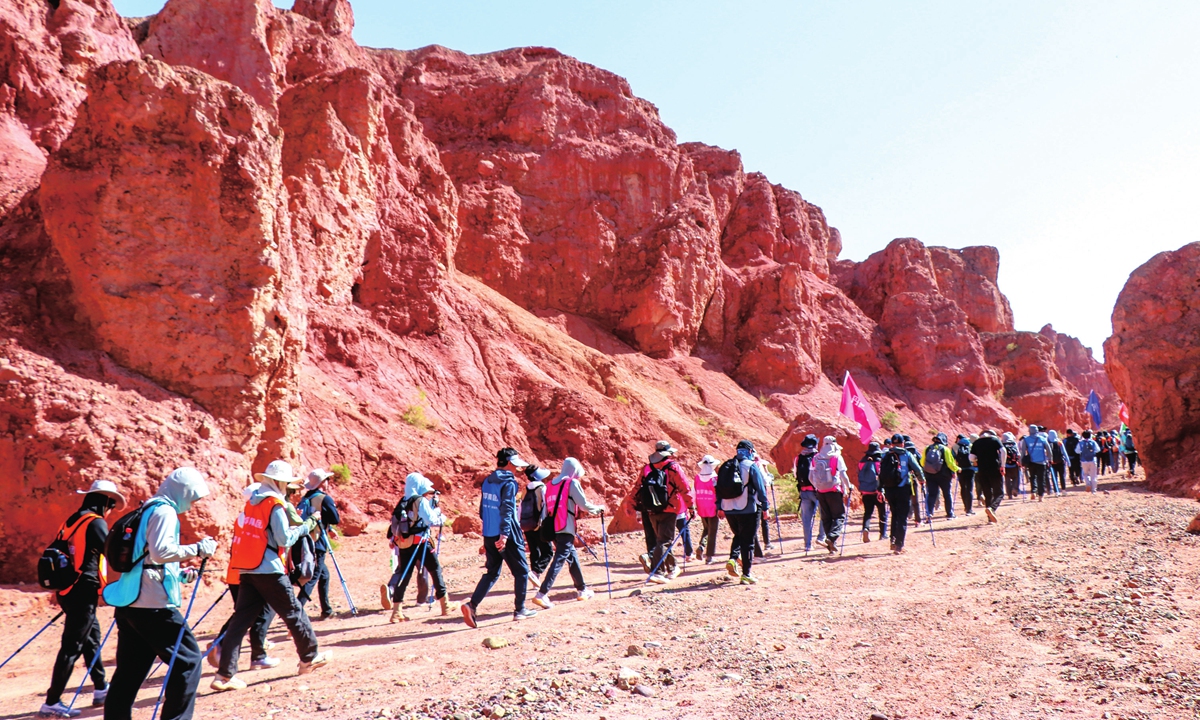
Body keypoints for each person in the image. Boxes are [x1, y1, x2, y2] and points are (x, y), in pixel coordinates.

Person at [102, 468, 217, 720]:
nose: (194, 502)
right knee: (189, 661)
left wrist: (178, 574)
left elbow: (147, 558)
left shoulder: (147, 508)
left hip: (129, 602)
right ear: (183, 491)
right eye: (194, 496)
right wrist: (199, 548)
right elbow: (161, 553)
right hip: (152, 605)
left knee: (129, 673)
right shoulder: (165, 511)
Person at [212, 461, 330, 692]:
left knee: (240, 621)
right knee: (293, 611)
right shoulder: (274, 504)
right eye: (286, 483)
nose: (287, 487)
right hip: (269, 569)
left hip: (246, 569)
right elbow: (284, 539)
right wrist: (305, 527)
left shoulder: (251, 504)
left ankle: (224, 675)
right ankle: (309, 656)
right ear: (278, 482)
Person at [40, 480, 125, 718]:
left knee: (91, 638)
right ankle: (51, 702)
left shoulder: (71, 520)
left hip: (67, 590)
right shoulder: (95, 523)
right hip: (82, 591)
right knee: (72, 646)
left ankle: (101, 688)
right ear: (105, 502)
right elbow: (113, 553)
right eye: (110, 506)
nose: (109, 513)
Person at [462, 448, 536, 627]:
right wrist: (504, 534)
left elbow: (482, 510)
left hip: (489, 532)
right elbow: (508, 509)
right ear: (509, 463)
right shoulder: (510, 483)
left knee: (492, 572)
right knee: (521, 571)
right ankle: (520, 610)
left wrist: (491, 528)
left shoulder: (488, 481)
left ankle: (471, 605)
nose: (518, 468)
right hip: (506, 534)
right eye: (516, 464)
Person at [531, 458, 605, 608]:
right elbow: (583, 505)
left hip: (553, 529)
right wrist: (598, 508)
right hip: (566, 527)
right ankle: (541, 594)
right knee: (559, 560)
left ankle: (582, 590)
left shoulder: (550, 485)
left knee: (572, 557)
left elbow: (545, 510)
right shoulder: (572, 483)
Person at [387, 473, 455, 621]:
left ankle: (396, 611)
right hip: (421, 543)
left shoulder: (403, 500)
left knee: (404, 575)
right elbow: (431, 520)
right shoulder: (420, 500)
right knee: (435, 569)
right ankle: (445, 605)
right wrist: (440, 517)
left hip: (405, 543)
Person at [637, 441, 694, 584]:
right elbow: (684, 487)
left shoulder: (646, 468)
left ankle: (673, 567)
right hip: (670, 509)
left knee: (661, 540)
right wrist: (691, 507)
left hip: (651, 510)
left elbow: (637, 488)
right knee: (664, 541)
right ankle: (657, 571)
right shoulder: (673, 468)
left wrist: (634, 506)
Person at [721, 440, 770, 583]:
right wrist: (765, 507)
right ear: (750, 451)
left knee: (739, 535)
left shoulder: (726, 465)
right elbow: (761, 488)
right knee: (748, 541)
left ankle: (733, 558)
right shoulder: (751, 466)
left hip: (729, 508)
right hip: (748, 508)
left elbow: (718, 488)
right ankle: (746, 574)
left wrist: (719, 507)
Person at [297, 469, 340, 620]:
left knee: (324, 575)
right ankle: (296, 609)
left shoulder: (305, 498)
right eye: (327, 480)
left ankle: (326, 610)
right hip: (318, 542)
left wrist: (330, 529)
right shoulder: (324, 498)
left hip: (305, 541)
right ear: (322, 482)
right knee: (314, 576)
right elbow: (335, 518)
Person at [880, 434, 926, 554]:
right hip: (903, 489)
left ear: (892, 444)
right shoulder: (906, 454)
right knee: (902, 517)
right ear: (902, 444)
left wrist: (881, 488)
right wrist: (921, 480)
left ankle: (892, 540)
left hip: (889, 489)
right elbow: (917, 469)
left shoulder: (885, 454)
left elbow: (880, 473)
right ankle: (899, 545)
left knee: (894, 514)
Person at [812, 436, 851, 553]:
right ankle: (832, 537)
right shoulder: (837, 457)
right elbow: (843, 475)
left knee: (826, 518)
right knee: (839, 516)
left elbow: (811, 476)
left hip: (820, 492)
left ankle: (831, 547)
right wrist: (849, 487)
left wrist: (817, 486)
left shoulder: (816, 458)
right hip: (834, 491)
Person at [520, 464, 554, 579]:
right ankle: (535, 572)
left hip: (527, 525)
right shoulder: (542, 488)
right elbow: (546, 505)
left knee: (534, 551)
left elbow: (520, 507)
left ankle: (535, 577)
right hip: (539, 525)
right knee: (548, 552)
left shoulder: (525, 489)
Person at [793, 435, 826, 552]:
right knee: (825, 514)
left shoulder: (798, 458)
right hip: (817, 490)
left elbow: (795, 474)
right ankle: (821, 537)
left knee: (806, 519)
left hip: (803, 491)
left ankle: (807, 545)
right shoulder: (817, 457)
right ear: (815, 444)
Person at [969, 430, 1006, 523]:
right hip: (994, 469)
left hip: (982, 471)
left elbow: (971, 457)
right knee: (999, 492)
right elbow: (1003, 451)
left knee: (987, 493)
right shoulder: (994, 440)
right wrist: (1003, 465)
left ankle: (990, 519)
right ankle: (992, 509)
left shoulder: (977, 442)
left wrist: (978, 459)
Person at [922, 433, 960, 520]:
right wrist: (957, 469)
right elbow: (950, 464)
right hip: (944, 476)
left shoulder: (927, 448)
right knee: (947, 494)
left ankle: (929, 513)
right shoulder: (945, 449)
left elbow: (922, 462)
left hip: (930, 475)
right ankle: (950, 513)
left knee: (931, 494)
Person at [857, 443, 887, 543]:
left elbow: (859, 475)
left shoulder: (862, 461)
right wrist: (881, 490)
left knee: (868, 512)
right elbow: (881, 477)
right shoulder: (879, 462)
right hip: (877, 491)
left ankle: (866, 528)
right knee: (882, 512)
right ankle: (883, 534)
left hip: (865, 491)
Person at [693, 456, 720, 563]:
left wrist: (693, 507)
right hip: (713, 507)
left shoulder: (697, 478)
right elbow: (719, 493)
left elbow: (693, 492)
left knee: (706, 528)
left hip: (701, 506)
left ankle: (702, 545)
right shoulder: (715, 479)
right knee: (713, 531)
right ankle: (709, 556)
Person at [1020, 425, 1052, 501]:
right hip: (1041, 462)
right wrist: (1050, 459)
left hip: (1031, 462)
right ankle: (1041, 496)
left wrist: (1021, 461)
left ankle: (1033, 492)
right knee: (1041, 479)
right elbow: (1049, 450)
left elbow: (1023, 452)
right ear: (1037, 430)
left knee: (1033, 477)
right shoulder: (1043, 439)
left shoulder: (1026, 440)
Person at [952, 435, 976, 516]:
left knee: (963, 488)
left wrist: (953, 470)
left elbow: (952, 459)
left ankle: (965, 506)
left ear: (958, 439)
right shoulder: (971, 445)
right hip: (970, 469)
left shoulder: (955, 446)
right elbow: (975, 457)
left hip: (960, 469)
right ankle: (969, 509)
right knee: (969, 489)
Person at [1048, 431, 1068, 497]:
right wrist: (1068, 461)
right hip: (1061, 462)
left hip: (1052, 463)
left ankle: (1056, 491)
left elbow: (1046, 454)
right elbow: (1064, 452)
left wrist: (1048, 461)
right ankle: (1064, 490)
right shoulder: (1059, 442)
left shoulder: (1048, 443)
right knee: (1062, 476)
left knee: (1054, 477)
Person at [1001, 432, 1021, 498]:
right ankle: (1015, 488)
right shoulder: (1014, 444)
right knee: (1016, 478)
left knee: (1007, 479)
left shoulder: (1001, 444)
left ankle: (1009, 494)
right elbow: (1018, 454)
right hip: (1015, 464)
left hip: (1006, 465)